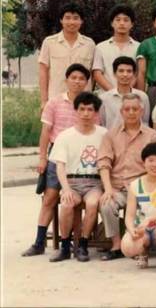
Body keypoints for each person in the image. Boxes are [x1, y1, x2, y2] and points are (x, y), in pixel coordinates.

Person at [23, 64, 98, 258]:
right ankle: (39, 242)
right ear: (66, 80)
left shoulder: (90, 104)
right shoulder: (54, 103)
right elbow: (45, 132)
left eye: (81, 78)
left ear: (86, 82)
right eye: (73, 77)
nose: (77, 81)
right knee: (50, 197)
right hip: (58, 155)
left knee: (75, 200)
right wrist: (42, 158)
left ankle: (76, 243)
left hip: (82, 158)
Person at [98, 93, 156, 261]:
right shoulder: (110, 135)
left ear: (142, 111)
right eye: (127, 109)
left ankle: (140, 244)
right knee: (106, 204)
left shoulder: (152, 135)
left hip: (141, 188)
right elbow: (104, 163)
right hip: (117, 187)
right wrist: (108, 189)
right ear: (121, 111)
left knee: (150, 206)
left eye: (135, 109)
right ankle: (117, 245)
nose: (131, 112)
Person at [48, 92, 108, 262]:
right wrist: (66, 188)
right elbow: (60, 165)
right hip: (71, 182)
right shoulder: (65, 136)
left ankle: (83, 245)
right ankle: (65, 246)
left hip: (94, 182)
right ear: (76, 110)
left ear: (96, 112)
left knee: (92, 203)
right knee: (67, 203)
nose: (86, 113)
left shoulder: (104, 134)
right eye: (82, 109)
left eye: (90, 110)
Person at [120, 142, 156, 271]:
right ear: (144, 162)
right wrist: (131, 229)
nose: (155, 164)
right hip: (142, 229)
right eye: (151, 160)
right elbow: (129, 215)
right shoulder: (135, 185)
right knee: (127, 247)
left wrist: (150, 219)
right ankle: (143, 254)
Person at [38, 2, 96, 108]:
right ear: (61, 20)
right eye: (67, 18)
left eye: (76, 18)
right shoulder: (49, 42)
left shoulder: (90, 44)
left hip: (83, 102)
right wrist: (44, 100)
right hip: (56, 99)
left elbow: (93, 74)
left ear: (81, 21)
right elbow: (43, 72)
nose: (72, 22)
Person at [92, 5, 139, 93]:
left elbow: (138, 73)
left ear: (132, 24)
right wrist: (114, 92)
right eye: (118, 20)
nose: (122, 23)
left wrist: (125, 91)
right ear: (112, 23)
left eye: (126, 20)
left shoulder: (139, 47)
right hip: (106, 96)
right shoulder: (101, 47)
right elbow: (97, 73)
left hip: (131, 97)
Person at [99, 57, 150, 131]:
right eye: (121, 71)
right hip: (112, 137)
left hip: (136, 137)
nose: (125, 74)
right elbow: (102, 124)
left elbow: (145, 122)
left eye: (129, 71)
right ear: (114, 73)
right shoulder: (104, 98)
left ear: (134, 74)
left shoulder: (142, 96)